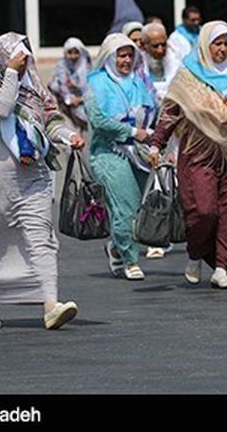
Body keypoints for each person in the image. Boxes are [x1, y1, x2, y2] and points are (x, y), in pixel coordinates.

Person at [0, 33, 84, 330]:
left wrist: (69, 136)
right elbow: (3, 108)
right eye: (17, 58)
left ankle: (50, 305)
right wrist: (10, 74)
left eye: (24, 59)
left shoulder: (36, 93)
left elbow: (51, 121)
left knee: (41, 236)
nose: (23, 64)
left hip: (35, 176)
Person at [149, 21, 227, 289]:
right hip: (198, 152)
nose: (222, 49)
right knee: (203, 209)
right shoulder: (188, 75)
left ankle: (223, 267)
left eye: (226, 44)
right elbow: (170, 112)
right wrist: (156, 144)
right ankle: (196, 252)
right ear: (204, 46)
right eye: (217, 44)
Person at [86, 33, 161, 281]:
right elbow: (99, 120)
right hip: (109, 152)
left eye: (130, 55)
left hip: (138, 152)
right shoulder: (96, 85)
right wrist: (131, 131)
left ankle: (116, 247)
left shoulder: (140, 83)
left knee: (137, 207)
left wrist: (154, 144)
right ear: (109, 57)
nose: (126, 60)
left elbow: (154, 113)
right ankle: (130, 260)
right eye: (121, 55)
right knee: (125, 205)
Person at [49, 37, 90, 133]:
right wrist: (69, 98)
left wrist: (81, 99)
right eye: (70, 53)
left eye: (76, 52)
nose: (73, 56)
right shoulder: (62, 65)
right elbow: (61, 85)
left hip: (83, 99)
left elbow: (89, 88)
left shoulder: (85, 66)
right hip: (65, 100)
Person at [141, 21, 179, 101]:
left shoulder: (176, 62)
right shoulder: (138, 66)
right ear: (144, 45)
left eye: (163, 44)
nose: (160, 50)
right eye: (155, 46)